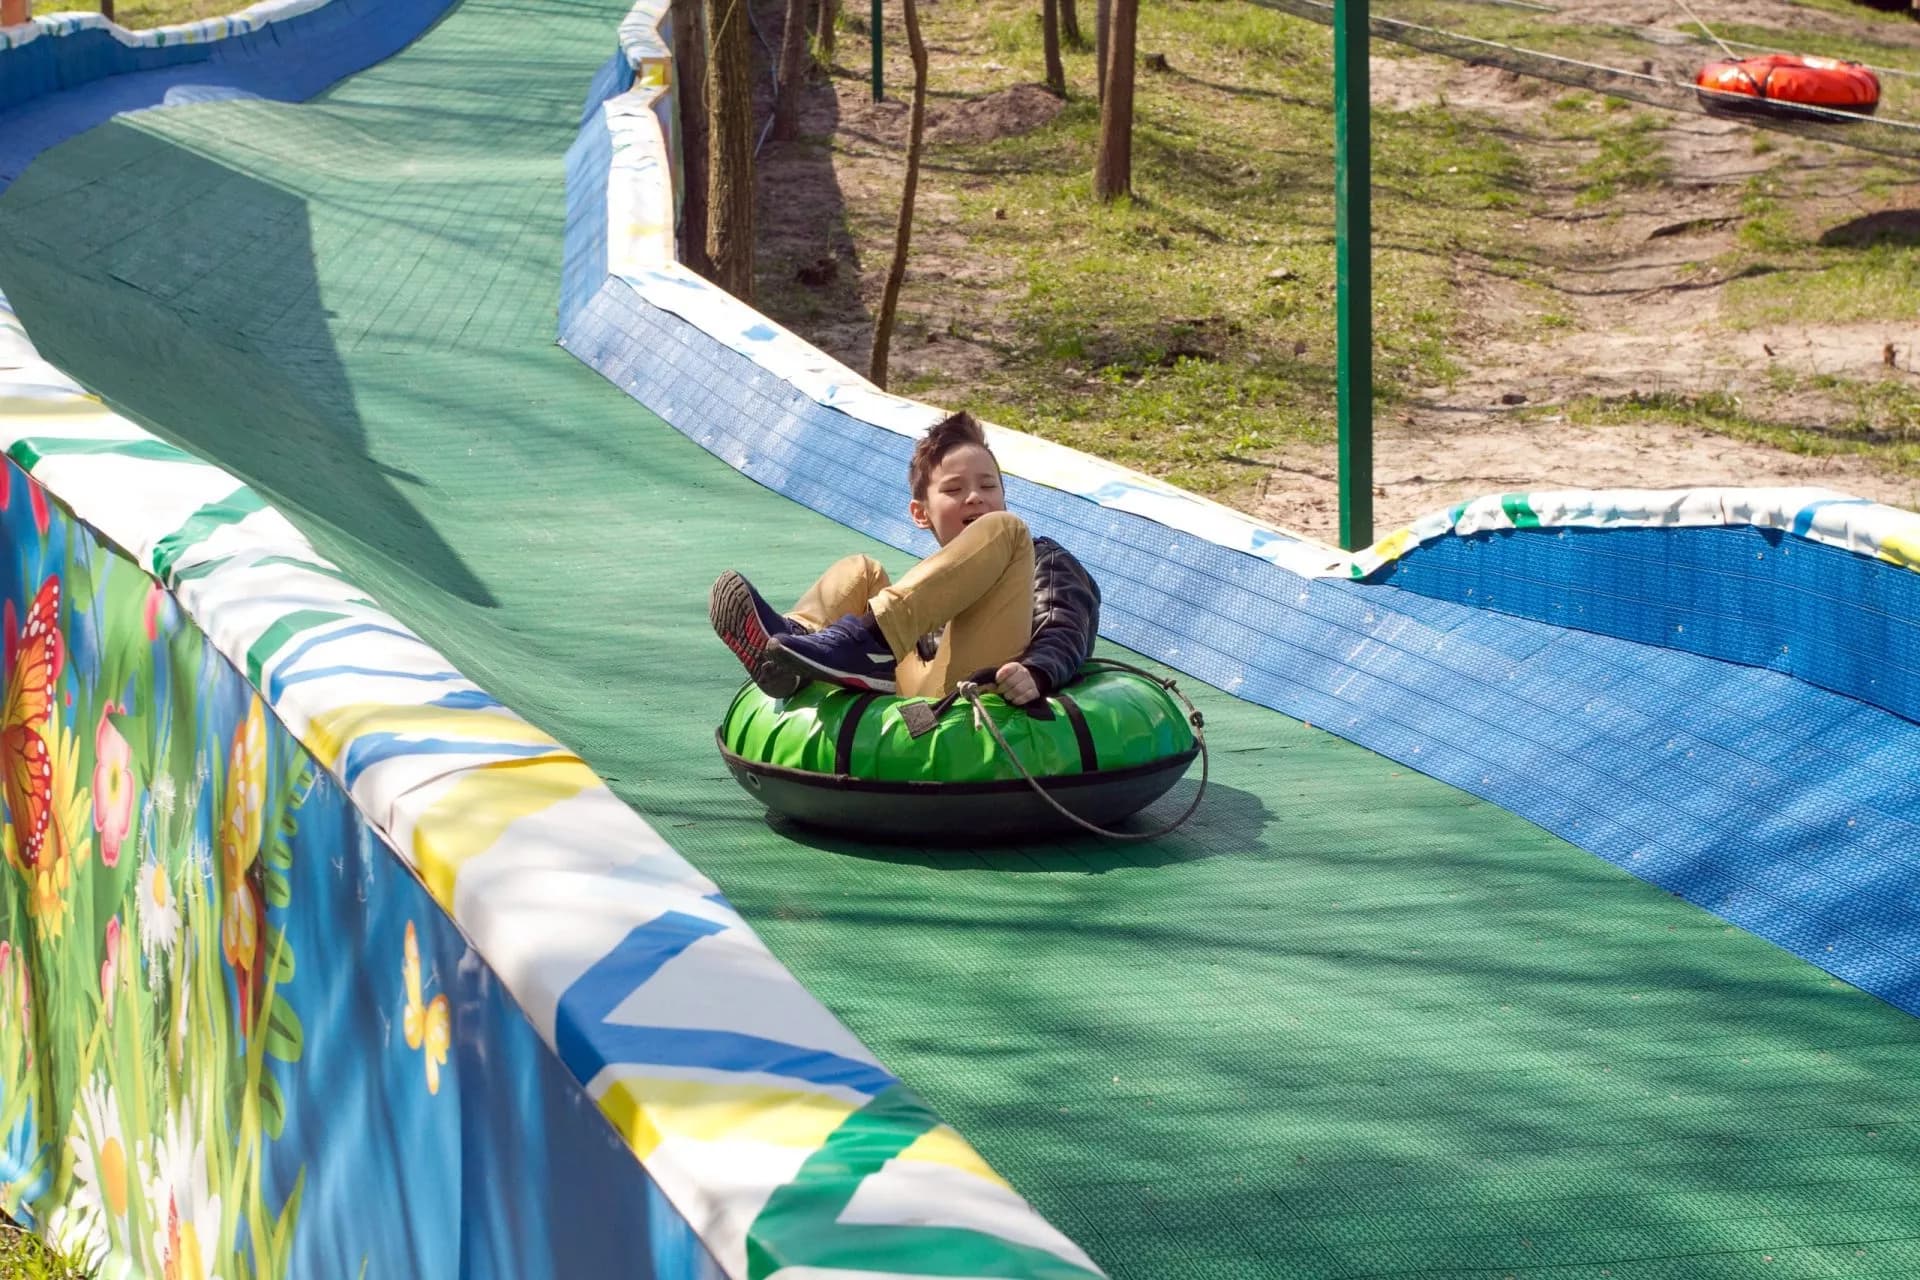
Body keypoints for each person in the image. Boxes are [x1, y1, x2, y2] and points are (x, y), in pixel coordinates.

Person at [709, 411, 1100, 705]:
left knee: (1008, 529)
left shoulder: (1040, 555)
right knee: (861, 569)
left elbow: (1066, 621)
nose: (975, 497)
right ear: (921, 513)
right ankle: (789, 653)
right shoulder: (935, 578)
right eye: (954, 489)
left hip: (987, 679)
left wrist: (1040, 669)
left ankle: (868, 642)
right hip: (921, 683)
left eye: (988, 485)